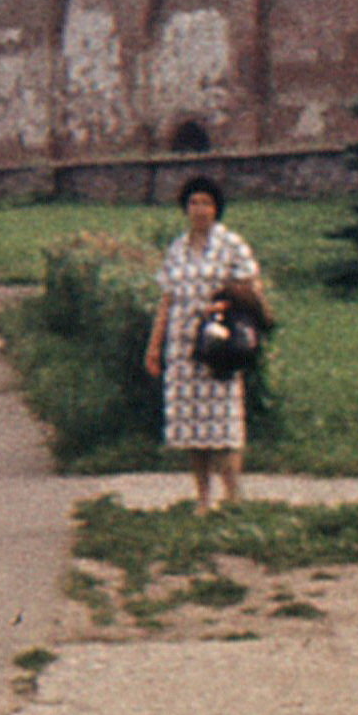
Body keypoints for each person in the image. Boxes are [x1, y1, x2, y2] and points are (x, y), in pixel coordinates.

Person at [140, 175, 268, 512]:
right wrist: (154, 347)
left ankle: (234, 497)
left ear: (217, 209)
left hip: (219, 344)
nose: (200, 210)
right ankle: (203, 498)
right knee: (191, 427)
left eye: (207, 204)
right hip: (183, 346)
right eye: (194, 203)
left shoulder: (231, 245)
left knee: (224, 423)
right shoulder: (177, 249)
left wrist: (223, 304)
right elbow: (167, 300)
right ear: (185, 208)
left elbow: (252, 289)